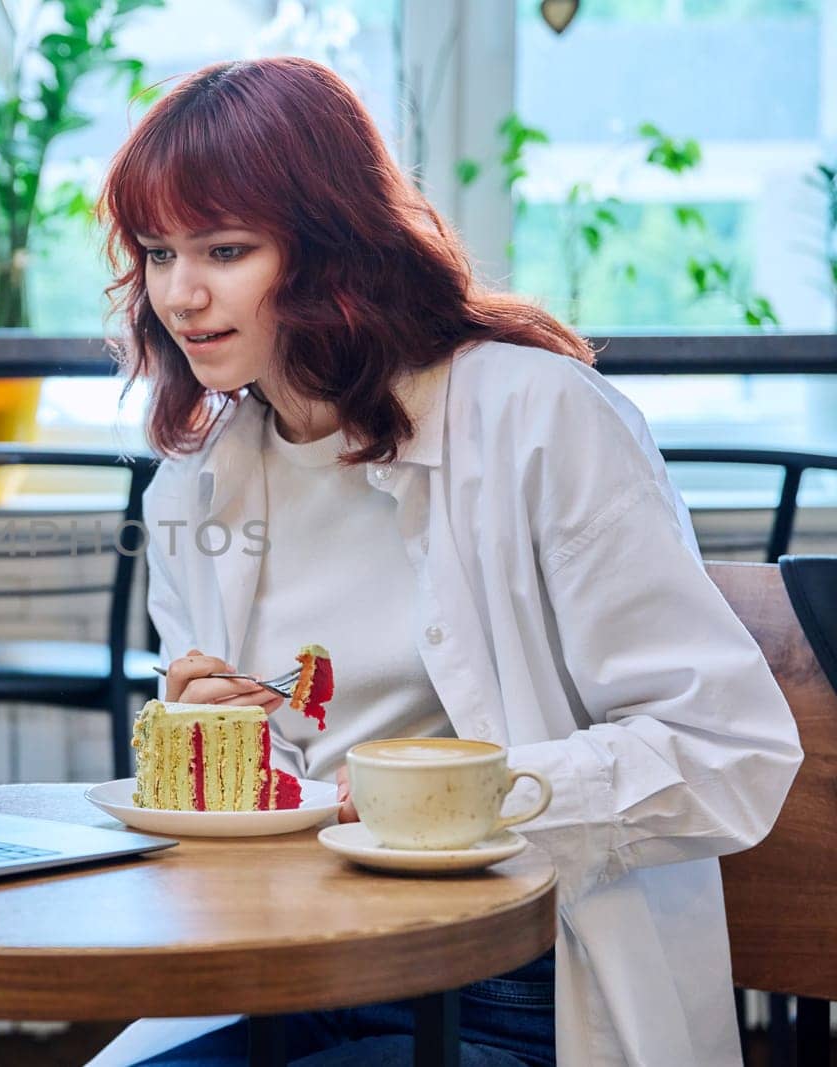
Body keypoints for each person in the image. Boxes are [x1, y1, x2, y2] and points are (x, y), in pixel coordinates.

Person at [92, 57, 802, 1066]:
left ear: (332, 244)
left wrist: (444, 803)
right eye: (159, 252)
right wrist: (224, 764)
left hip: (514, 981)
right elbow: (288, 799)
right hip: (294, 960)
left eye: (226, 248)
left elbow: (727, 751)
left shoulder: (538, 418)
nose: (182, 292)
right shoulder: (198, 479)